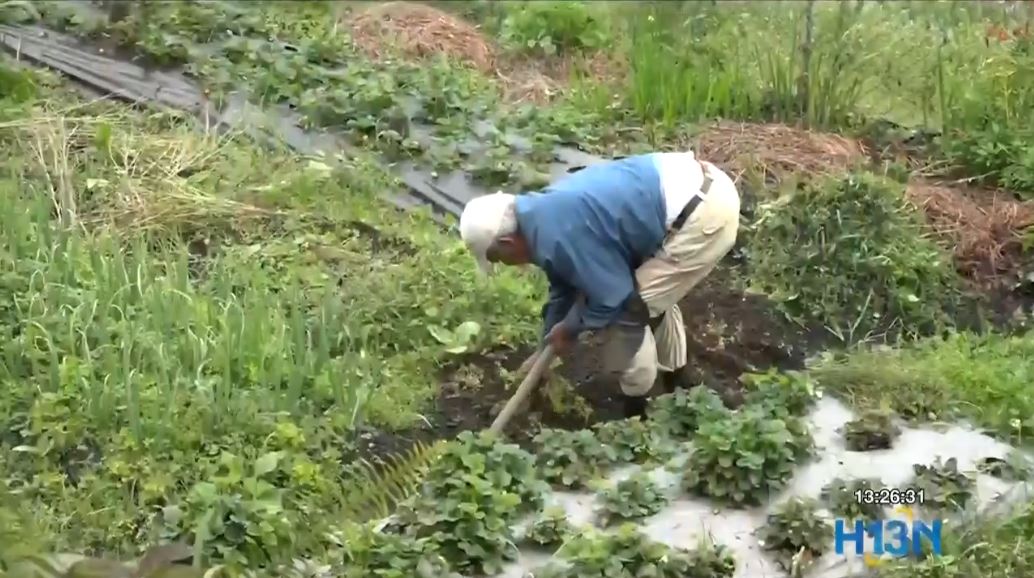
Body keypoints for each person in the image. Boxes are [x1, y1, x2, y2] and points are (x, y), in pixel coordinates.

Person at [458, 151, 741, 419]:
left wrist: (570, 330)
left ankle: (636, 410)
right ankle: (678, 376)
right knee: (653, 293)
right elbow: (564, 286)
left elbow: (611, 297)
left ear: (508, 243)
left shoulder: (559, 234)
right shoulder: (540, 216)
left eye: (498, 258)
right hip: (699, 188)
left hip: (703, 216)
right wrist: (548, 338)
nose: (506, 264)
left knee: (628, 310)